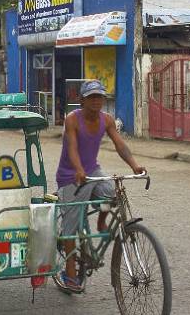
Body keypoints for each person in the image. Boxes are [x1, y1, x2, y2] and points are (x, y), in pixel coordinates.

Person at [54, 79, 146, 293]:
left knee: (112, 193)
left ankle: (101, 222)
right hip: (70, 176)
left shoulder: (107, 120)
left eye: (99, 97)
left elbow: (119, 144)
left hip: (92, 171)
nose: (96, 101)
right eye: (91, 97)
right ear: (82, 100)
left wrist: (134, 165)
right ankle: (69, 272)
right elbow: (73, 148)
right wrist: (78, 169)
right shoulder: (72, 119)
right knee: (71, 227)